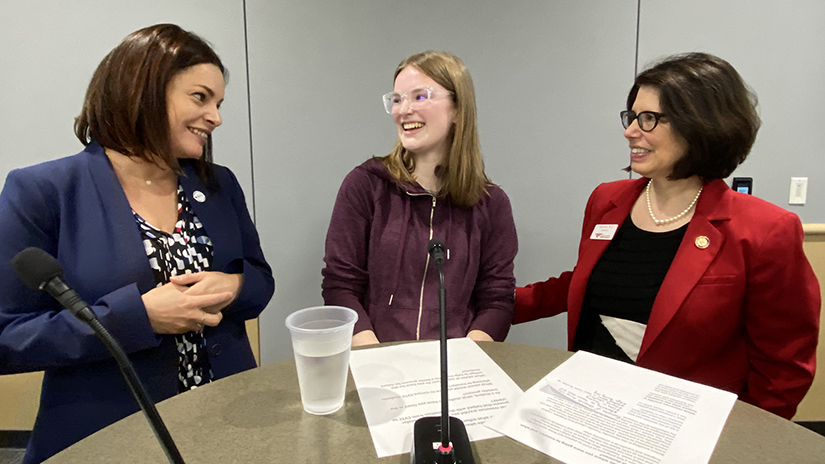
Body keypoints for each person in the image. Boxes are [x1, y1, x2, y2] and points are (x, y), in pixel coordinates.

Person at [0, 24, 274, 463]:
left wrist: (234, 287)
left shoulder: (218, 184)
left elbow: (259, 279)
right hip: (108, 441)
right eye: (201, 97)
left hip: (225, 430)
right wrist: (136, 318)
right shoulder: (43, 191)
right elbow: (7, 337)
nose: (217, 117)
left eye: (219, 103)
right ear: (142, 90)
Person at [515, 52, 819, 420]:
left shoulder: (764, 230)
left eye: (650, 119)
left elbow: (783, 364)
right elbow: (583, 281)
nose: (630, 131)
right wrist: (488, 307)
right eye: (632, 117)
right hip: (589, 408)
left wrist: (745, 443)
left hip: (686, 430)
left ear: (701, 124)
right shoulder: (607, 200)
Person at [322, 51, 517, 347]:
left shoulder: (491, 204)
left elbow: (497, 298)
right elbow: (340, 285)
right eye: (397, 99)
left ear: (458, 109)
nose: (403, 110)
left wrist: (468, 356)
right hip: (377, 364)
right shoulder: (365, 185)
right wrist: (376, 357)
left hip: (456, 370)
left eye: (420, 97)